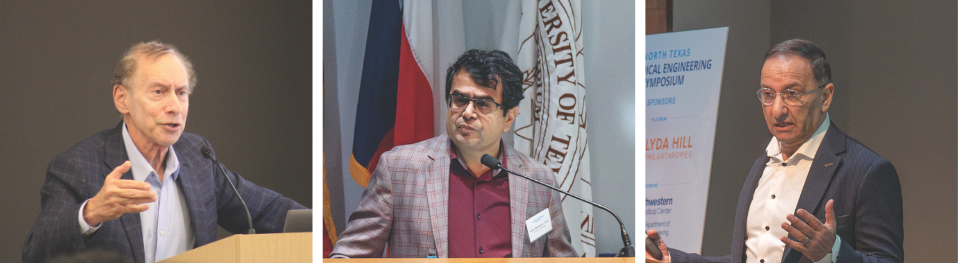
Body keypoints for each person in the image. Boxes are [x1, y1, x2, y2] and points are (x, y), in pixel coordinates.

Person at [22, 41, 306, 263]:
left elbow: (270, 212)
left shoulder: (197, 157)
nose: (174, 107)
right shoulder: (79, 165)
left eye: (181, 93)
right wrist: (91, 213)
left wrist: (324, 227)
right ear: (122, 99)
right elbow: (35, 253)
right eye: (158, 92)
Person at [646, 39, 905, 263]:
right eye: (768, 94)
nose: (777, 110)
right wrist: (671, 258)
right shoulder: (762, 165)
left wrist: (833, 252)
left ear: (826, 97)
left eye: (792, 93)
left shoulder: (867, 170)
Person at [329, 49, 576, 258]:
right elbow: (348, 255)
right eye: (460, 99)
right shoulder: (398, 169)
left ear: (509, 118)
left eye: (483, 104)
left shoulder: (538, 181)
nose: (467, 112)